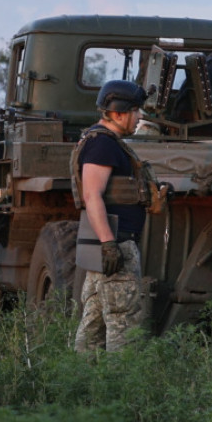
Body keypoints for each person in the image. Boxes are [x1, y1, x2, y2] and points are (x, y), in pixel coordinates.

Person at [71, 80, 155, 353]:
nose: (140, 116)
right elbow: (92, 195)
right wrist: (109, 243)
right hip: (115, 245)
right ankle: (121, 389)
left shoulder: (102, 142)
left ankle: (84, 385)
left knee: (93, 324)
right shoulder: (103, 145)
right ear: (118, 112)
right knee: (124, 328)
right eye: (135, 110)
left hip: (107, 245)